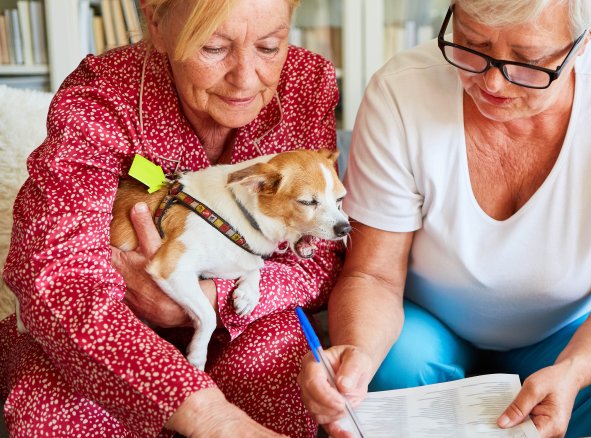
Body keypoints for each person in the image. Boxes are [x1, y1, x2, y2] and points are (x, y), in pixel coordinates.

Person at [298, 0, 591, 437]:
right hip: (429, 322)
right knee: (389, 369)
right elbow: (373, 275)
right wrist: (358, 356)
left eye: (527, 61)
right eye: (471, 43)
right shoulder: (401, 91)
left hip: (564, 329)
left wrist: (573, 371)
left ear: (585, 40)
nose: (492, 83)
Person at [0, 0, 342, 436]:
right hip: (107, 327)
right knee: (51, 404)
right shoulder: (101, 94)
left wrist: (206, 298)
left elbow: (315, 260)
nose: (244, 77)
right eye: (214, 47)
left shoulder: (306, 82)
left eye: (270, 46)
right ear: (156, 22)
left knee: (283, 359)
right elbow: (56, 275)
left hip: (236, 319)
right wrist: (211, 417)